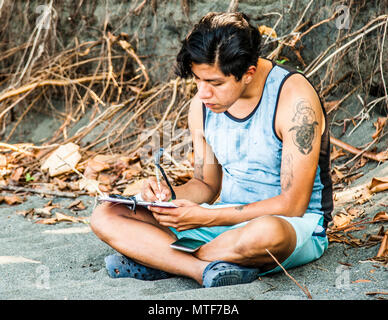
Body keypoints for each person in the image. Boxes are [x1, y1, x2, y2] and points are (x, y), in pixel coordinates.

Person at [90, 12, 333, 288]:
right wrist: (167, 198)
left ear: (248, 73)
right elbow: (206, 185)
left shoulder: (294, 100)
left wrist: (207, 216)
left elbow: (292, 205)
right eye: (198, 80)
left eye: (215, 83)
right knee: (108, 214)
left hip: (291, 226)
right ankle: (200, 269)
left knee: (266, 233)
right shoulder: (202, 106)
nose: (203, 93)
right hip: (224, 225)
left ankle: (161, 259)